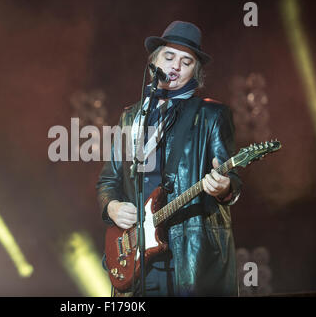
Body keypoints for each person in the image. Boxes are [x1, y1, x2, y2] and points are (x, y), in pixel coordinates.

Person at [96, 21, 242, 296]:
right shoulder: (131, 116)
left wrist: (224, 188)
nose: (175, 66)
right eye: (169, 56)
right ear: (154, 61)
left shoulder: (211, 115)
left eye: (186, 61)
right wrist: (112, 207)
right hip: (137, 256)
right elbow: (108, 180)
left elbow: (232, 180)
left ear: (195, 72)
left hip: (188, 258)